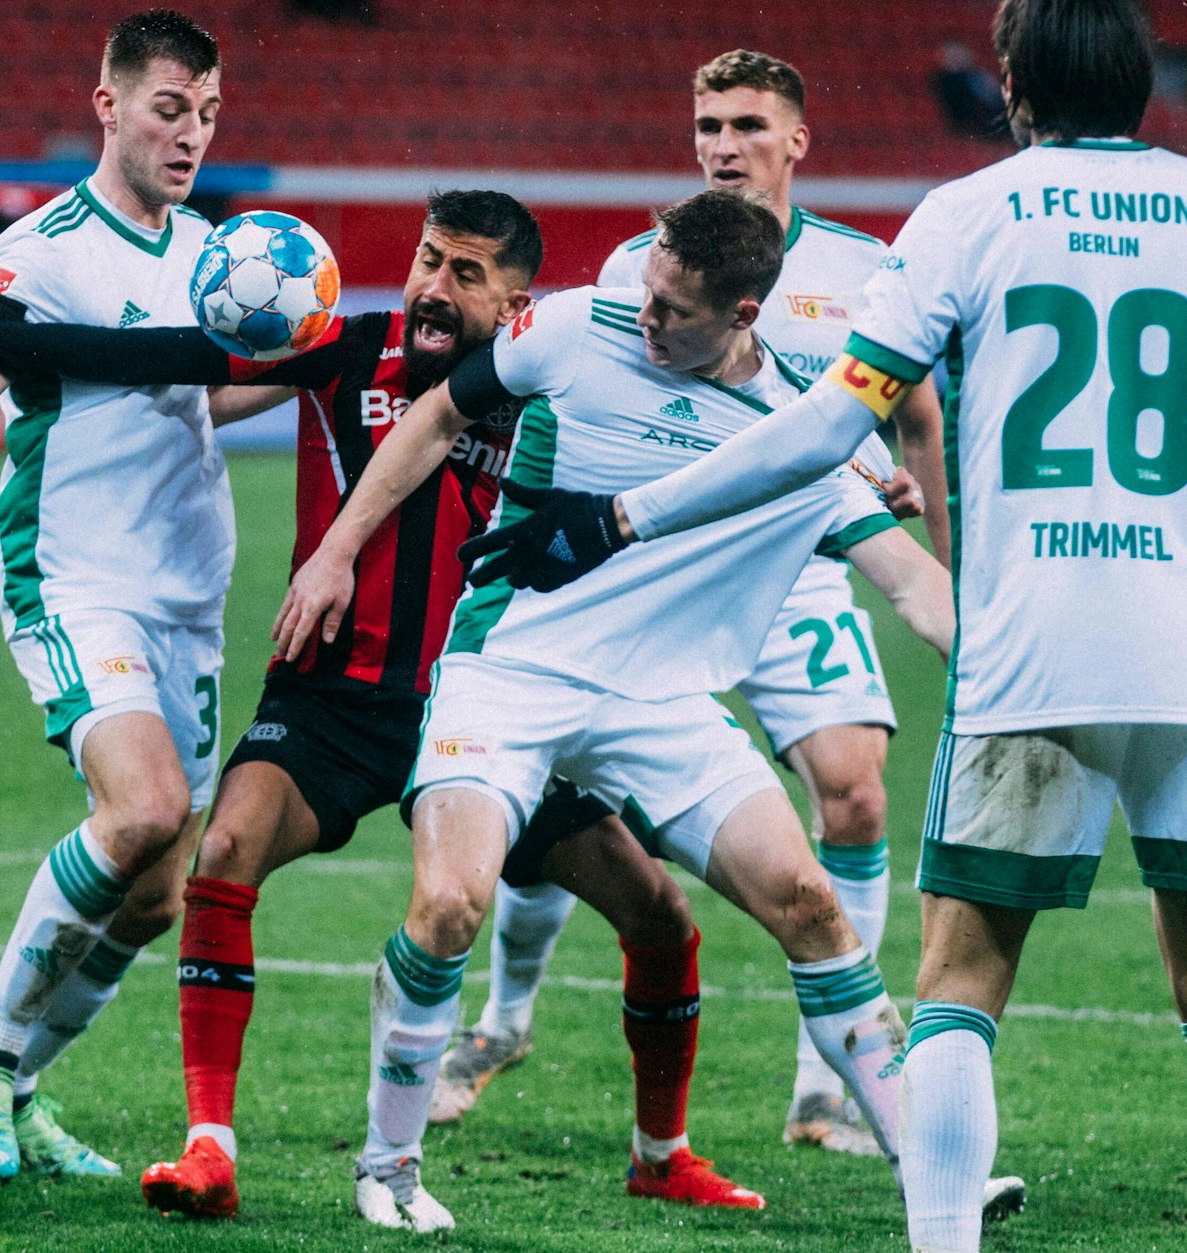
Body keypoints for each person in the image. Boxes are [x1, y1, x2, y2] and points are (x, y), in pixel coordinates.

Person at [477, 2, 1187, 1247]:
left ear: (1011, 81)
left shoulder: (965, 215)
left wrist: (624, 514)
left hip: (1025, 650)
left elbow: (820, 428)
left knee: (960, 986)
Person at [0, 189, 767, 1218]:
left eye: (464, 274)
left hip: (493, 708)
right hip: (331, 700)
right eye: (425, 260)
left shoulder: (555, 387)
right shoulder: (348, 348)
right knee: (219, 853)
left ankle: (659, 1150)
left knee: (659, 913)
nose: (431, 290)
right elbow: (170, 356)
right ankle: (207, 1146)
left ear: (518, 299)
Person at [277, 189, 993, 1233]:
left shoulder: (794, 433)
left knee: (806, 901)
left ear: (744, 313)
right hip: (508, 671)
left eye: (672, 309)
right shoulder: (571, 327)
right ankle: (386, 1165)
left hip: (658, 704)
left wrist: (1004, 677)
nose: (643, 316)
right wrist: (338, 547)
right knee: (445, 909)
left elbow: (911, 584)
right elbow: (435, 412)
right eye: (646, 288)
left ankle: (937, 1173)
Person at [436, 48, 954, 1158]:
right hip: (651, 576)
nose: (722, 145)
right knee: (560, 795)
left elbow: (910, 415)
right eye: (706, 125)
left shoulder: (868, 269)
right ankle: (501, 1018)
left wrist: (913, 516)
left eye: (746, 125)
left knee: (853, 795)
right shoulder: (638, 265)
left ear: (795, 139)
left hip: (802, 558)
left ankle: (825, 1090)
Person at [0, 10, 231, 1183]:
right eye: (166, 108)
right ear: (107, 106)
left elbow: (203, 396)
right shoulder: (39, 249)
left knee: (156, 894)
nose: (188, 133)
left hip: (189, 590)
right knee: (140, 808)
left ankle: (25, 1088)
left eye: (204, 115)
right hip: (77, 574)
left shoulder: (210, 254)